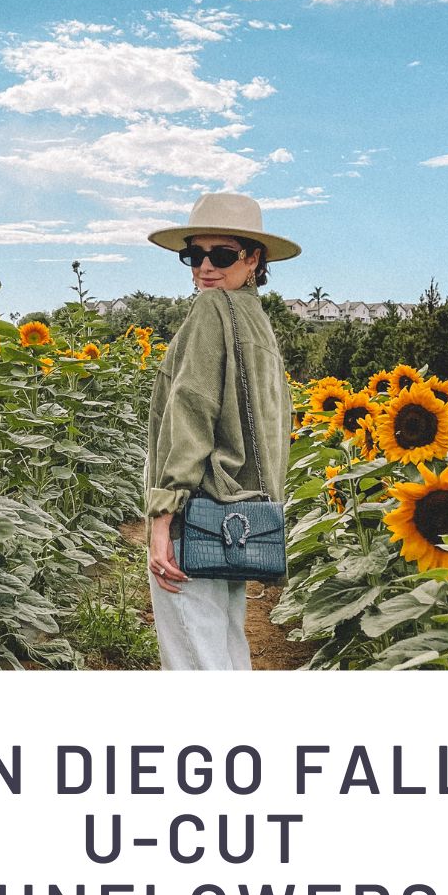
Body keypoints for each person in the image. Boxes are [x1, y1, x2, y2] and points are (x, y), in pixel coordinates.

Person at [144, 192, 302, 670]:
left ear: (254, 259)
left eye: (223, 255)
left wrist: (162, 515)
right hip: (238, 509)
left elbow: (191, 412)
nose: (204, 268)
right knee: (226, 644)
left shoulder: (211, 312)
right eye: (194, 255)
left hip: (198, 504)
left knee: (195, 652)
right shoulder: (257, 321)